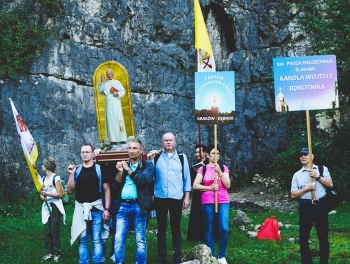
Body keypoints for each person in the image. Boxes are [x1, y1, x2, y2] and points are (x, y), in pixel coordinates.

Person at [147, 132, 191, 264]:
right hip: (160, 197)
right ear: (162, 143)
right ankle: (162, 257)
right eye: (165, 140)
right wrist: (149, 160)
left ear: (175, 142)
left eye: (171, 140)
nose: (168, 142)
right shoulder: (156, 158)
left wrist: (187, 197)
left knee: (175, 227)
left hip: (176, 197)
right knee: (161, 227)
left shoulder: (182, 157)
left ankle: (177, 256)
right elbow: (149, 176)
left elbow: (187, 178)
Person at [67, 144, 111, 264]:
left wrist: (107, 209)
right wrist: (71, 174)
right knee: (83, 240)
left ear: (93, 154)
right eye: (82, 152)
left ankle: (97, 262)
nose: (85, 154)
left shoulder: (100, 169)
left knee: (97, 240)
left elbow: (107, 190)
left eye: (87, 152)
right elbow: (70, 190)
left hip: (96, 208)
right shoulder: (77, 170)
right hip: (81, 208)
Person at [112, 138, 153, 264]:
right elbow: (115, 187)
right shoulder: (123, 165)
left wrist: (128, 170)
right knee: (118, 238)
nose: (131, 150)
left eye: (135, 148)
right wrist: (120, 173)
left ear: (141, 151)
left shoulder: (147, 165)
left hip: (138, 206)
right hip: (123, 206)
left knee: (140, 239)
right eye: (129, 148)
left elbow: (143, 180)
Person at [291, 147, 333, 264]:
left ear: (312, 156)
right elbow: (293, 195)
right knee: (303, 238)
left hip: (321, 206)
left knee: (323, 237)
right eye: (301, 155)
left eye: (306, 154)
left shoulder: (322, 169)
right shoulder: (297, 175)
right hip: (306, 207)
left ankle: (324, 262)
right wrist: (306, 188)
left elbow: (330, 184)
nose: (303, 157)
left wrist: (317, 176)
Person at [193, 145, 230, 264]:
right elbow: (195, 185)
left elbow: (228, 185)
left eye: (217, 153)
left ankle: (221, 256)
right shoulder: (202, 169)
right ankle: (212, 256)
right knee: (209, 228)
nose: (215, 156)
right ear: (208, 155)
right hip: (208, 201)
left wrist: (219, 172)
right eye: (213, 153)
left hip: (223, 200)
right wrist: (210, 187)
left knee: (224, 228)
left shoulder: (223, 167)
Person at [40, 157, 66, 262]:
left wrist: (48, 194)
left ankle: (57, 253)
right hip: (46, 206)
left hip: (55, 206)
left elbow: (59, 194)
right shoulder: (43, 179)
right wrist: (42, 197)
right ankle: (49, 253)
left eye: (43, 164)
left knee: (54, 230)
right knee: (47, 231)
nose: (41, 166)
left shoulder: (56, 178)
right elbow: (42, 194)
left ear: (47, 166)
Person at [98, 69, 127, 143]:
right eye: (107, 74)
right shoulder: (105, 83)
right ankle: (112, 139)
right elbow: (101, 91)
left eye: (110, 74)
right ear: (106, 75)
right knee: (110, 120)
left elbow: (123, 91)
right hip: (109, 103)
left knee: (118, 118)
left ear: (113, 74)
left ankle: (121, 138)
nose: (109, 75)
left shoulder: (117, 82)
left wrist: (117, 93)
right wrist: (102, 82)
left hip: (116, 102)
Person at [187, 144, 208, 241]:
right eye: (195, 152)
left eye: (199, 152)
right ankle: (195, 235)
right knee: (196, 213)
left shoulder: (209, 164)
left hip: (208, 192)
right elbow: (192, 182)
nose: (197, 154)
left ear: (205, 153)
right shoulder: (194, 167)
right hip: (197, 193)